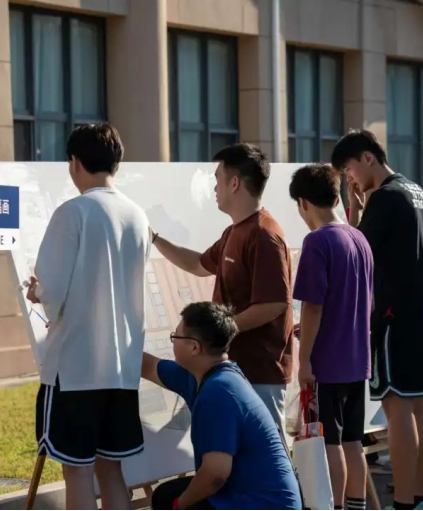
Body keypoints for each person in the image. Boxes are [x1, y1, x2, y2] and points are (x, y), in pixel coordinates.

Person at [26, 123, 150, 510]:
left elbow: (51, 288)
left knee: (77, 472)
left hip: (75, 368)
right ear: (117, 162)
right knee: (111, 470)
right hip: (121, 367)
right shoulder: (137, 215)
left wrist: (35, 292)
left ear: (75, 163)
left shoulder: (72, 212)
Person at [331, 129, 423, 511]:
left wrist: (354, 209)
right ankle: (417, 499)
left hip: (397, 314)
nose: (350, 179)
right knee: (417, 406)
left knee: (398, 409)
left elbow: (356, 253)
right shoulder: (416, 191)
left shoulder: (384, 197)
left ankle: (402, 503)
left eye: (349, 169)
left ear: (368, 158)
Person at [150, 143, 293, 436]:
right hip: (233, 370)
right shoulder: (234, 232)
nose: (214, 187)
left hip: (260, 374)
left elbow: (275, 304)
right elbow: (197, 264)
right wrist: (153, 238)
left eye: (217, 178)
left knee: (262, 454)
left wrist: (219, 330)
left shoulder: (264, 234)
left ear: (235, 183)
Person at [142, 301, 302, 510]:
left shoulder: (219, 391)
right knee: (165, 494)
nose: (173, 343)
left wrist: (179, 505)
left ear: (194, 347)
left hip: (263, 504)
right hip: (249, 495)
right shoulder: (206, 375)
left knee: (171, 500)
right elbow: (148, 366)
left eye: (175, 337)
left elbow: (215, 474)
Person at [289, 163, 374, 510]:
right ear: (336, 198)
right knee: (354, 441)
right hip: (357, 357)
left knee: (330, 442)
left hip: (328, 360)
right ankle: (356, 505)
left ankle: (334, 506)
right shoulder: (359, 238)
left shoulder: (317, 241)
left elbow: (313, 307)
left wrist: (304, 359)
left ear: (303, 203)